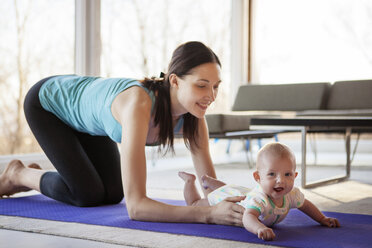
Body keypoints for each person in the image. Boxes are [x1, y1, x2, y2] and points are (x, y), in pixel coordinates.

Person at [0, 41, 246, 226]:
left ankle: (27, 174)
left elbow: (212, 193)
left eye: (215, 87)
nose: (211, 96)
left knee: (112, 193)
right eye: (202, 85)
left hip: (91, 120)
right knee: (86, 194)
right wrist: (207, 215)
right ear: (174, 81)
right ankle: (18, 174)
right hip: (49, 103)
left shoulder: (194, 118)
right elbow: (137, 207)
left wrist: (246, 207)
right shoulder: (139, 106)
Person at [179, 142, 340, 241]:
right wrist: (259, 228)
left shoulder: (292, 194)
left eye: (287, 174)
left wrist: (322, 218)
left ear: (295, 175)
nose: (280, 180)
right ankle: (190, 181)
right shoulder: (260, 199)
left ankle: (209, 181)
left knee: (230, 188)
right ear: (258, 177)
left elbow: (305, 205)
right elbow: (248, 217)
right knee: (197, 204)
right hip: (232, 201)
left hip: (244, 193)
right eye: (272, 174)